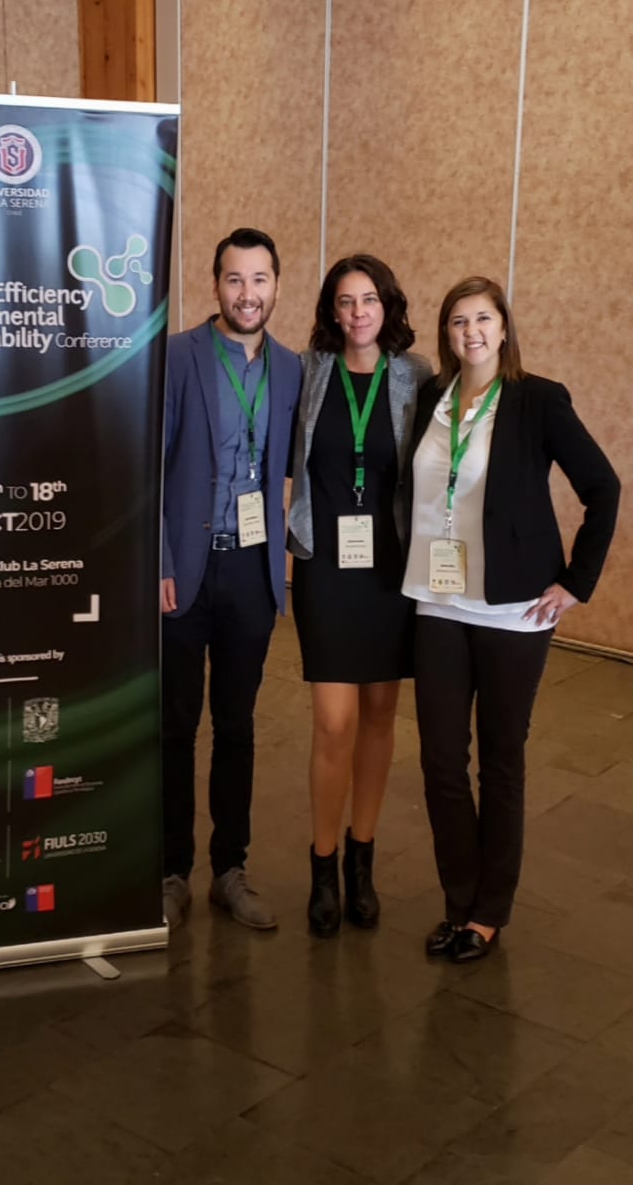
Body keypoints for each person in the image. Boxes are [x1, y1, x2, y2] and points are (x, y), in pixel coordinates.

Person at [403, 276, 620, 962]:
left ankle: (488, 913)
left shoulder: (538, 400)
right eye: (459, 321)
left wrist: (576, 583)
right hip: (437, 600)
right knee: (441, 760)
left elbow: (604, 487)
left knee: (500, 760)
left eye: (483, 319)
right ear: (447, 333)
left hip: (513, 609)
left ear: (503, 328)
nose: (471, 332)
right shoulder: (433, 399)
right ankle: (458, 900)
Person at [161, 227, 302, 932]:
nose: (248, 293)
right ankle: (170, 871)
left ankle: (229, 871)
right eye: (235, 279)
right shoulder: (178, 356)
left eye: (259, 279)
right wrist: (160, 561)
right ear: (215, 284)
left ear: (277, 285)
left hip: (251, 568)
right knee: (175, 726)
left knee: (237, 726)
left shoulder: (292, 368)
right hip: (184, 571)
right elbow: (147, 464)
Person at [287, 255, 432, 936]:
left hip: (390, 569)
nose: (357, 313)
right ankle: (322, 864)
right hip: (327, 567)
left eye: (368, 299)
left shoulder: (416, 376)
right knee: (333, 722)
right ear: (331, 310)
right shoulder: (307, 371)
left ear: (387, 304)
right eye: (345, 301)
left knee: (378, 716)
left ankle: (361, 861)